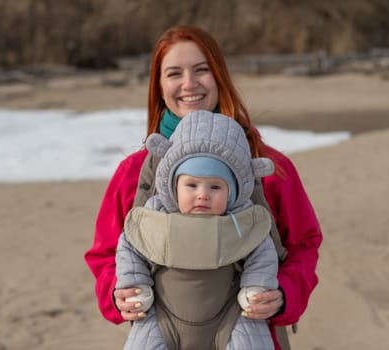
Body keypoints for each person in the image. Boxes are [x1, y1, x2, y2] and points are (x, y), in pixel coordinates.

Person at [84, 25, 323, 350]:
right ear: (159, 86)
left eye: (201, 70)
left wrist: (284, 294)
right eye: (173, 73)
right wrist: (118, 293)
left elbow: (304, 244)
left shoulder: (268, 166)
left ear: (220, 76)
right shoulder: (134, 173)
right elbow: (105, 254)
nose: (189, 84)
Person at [116, 110, 279, 349]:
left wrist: (256, 286)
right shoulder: (155, 216)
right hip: (164, 318)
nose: (202, 194)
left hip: (229, 315)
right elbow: (130, 246)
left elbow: (263, 254)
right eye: (191, 185)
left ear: (232, 192)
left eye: (215, 187)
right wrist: (134, 284)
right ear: (173, 186)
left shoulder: (243, 221)